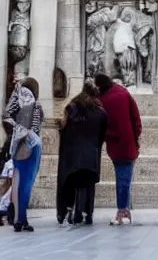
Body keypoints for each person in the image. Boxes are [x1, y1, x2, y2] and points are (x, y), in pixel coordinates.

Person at [56, 80, 108, 225]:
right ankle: (87, 212)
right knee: (88, 184)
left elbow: (63, 127)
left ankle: (68, 210)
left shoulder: (72, 107)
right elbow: (102, 134)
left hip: (72, 153)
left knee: (71, 182)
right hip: (91, 152)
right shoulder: (100, 113)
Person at [94, 73, 142, 225]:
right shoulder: (123, 92)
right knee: (124, 178)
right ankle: (124, 208)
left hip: (116, 145)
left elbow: (101, 125)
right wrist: (136, 137)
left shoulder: (102, 100)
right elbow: (135, 116)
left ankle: (122, 210)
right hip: (129, 143)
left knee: (122, 179)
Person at [2, 77, 43, 232]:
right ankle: (21, 219)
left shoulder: (17, 101)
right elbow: (35, 127)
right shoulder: (35, 103)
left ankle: (21, 218)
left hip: (17, 145)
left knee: (18, 182)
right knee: (26, 184)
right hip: (32, 145)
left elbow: (6, 117)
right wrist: (26, 133)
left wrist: (17, 130)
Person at [0, 158, 14, 226]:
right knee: (5, 199)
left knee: (1, 199)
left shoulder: (9, 162)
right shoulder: (12, 162)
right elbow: (10, 176)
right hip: (6, 180)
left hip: (4, 179)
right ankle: (0, 217)